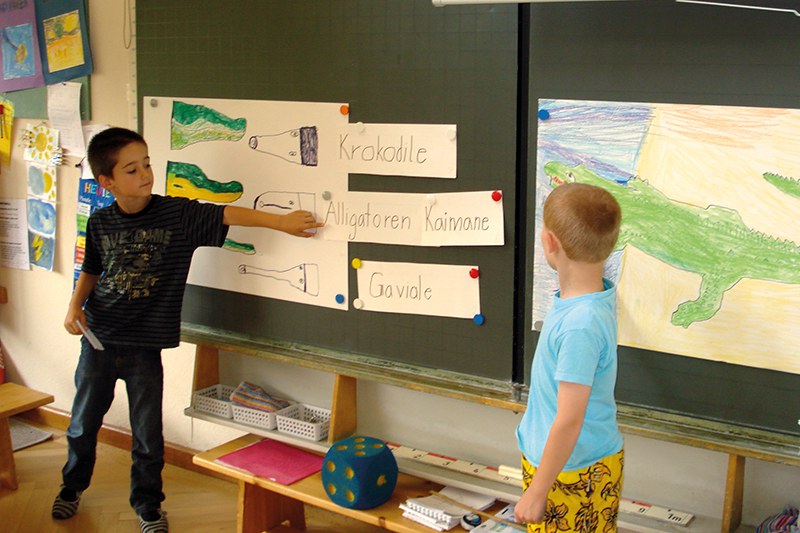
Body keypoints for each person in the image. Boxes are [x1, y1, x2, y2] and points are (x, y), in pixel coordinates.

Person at [51, 127, 323, 533]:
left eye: (147, 164)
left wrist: (280, 222)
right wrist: (74, 306)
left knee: (147, 436)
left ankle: (148, 506)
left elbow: (225, 213)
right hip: (99, 340)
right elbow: (92, 269)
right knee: (82, 424)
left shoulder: (176, 215)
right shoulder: (100, 221)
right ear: (106, 182)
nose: (145, 174)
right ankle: (71, 488)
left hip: (145, 347)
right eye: (131, 169)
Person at [514, 182, 624, 532]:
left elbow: (569, 419)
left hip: (572, 473)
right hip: (562, 464)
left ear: (549, 243)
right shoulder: (588, 299)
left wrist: (537, 491)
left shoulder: (581, 325)